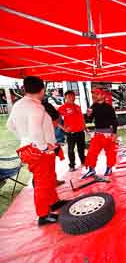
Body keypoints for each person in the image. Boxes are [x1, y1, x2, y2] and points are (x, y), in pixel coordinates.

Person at [7, 76, 68, 226]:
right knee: (43, 183)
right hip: (39, 151)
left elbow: (10, 126)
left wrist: (25, 138)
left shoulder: (19, 105)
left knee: (48, 179)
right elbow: (35, 130)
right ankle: (43, 214)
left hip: (31, 148)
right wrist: (42, 146)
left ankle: (53, 203)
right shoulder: (35, 106)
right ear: (42, 90)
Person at [83, 89, 118, 178]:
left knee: (110, 152)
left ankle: (109, 168)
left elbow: (114, 121)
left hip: (108, 133)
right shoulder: (93, 106)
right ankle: (91, 169)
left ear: (103, 96)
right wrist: (88, 114)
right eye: (94, 93)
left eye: (97, 94)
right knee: (91, 152)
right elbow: (89, 120)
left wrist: (114, 133)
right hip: (98, 132)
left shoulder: (109, 107)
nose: (95, 95)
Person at [58, 91, 86, 172]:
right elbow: (55, 120)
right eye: (69, 96)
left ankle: (83, 162)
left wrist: (85, 128)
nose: (72, 98)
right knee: (71, 150)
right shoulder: (63, 107)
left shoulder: (77, 106)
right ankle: (72, 165)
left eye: (73, 96)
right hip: (71, 133)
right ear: (65, 98)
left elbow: (81, 119)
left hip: (80, 131)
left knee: (81, 148)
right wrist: (63, 128)